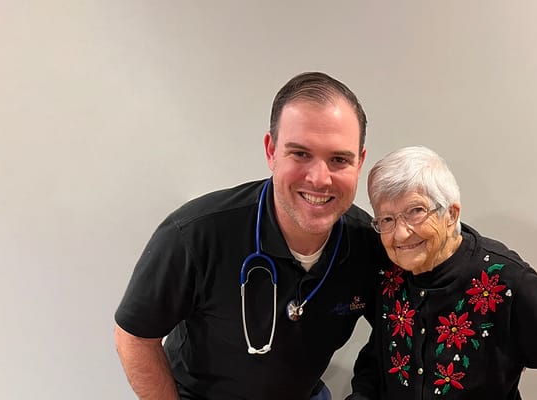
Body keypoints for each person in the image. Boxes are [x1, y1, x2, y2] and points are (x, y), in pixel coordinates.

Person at [114, 72, 388, 399]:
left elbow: (404, 332)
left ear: (360, 162)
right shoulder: (196, 235)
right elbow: (134, 336)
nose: (319, 178)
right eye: (300, 154)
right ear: (271, 151)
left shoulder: (370, 245)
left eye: (339, 159)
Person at [347, 145, 537, 399]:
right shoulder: (390, 275)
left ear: (451, 214)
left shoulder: (501, 279)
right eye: (387, 219)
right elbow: (378, 361)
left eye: (416, 211)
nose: (401, 233)